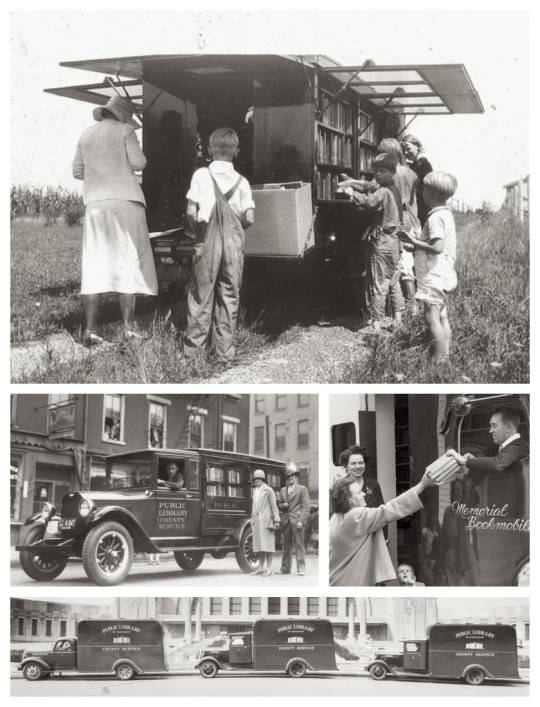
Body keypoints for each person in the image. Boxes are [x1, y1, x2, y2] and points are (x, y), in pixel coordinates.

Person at [72, 95, 158, 346]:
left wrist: (101, 175)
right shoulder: (126, 130)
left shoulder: (86, 134)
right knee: (127, 260)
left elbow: (77, 171)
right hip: (125, 203)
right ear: (122, 115)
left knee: (94, 263)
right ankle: (128, 328)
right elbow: (139, 162)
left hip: (95, 205)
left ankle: (89, 330)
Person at [183, 127, 255, 361]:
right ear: (237, 151)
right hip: (233, 245)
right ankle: (224, 354)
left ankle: (193, 356)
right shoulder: (242, 181)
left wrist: (199, 233)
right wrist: (234, 232)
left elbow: (191, 212)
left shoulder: (201, 175)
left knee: (201, 295)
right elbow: (250, 217)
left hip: (207, 240)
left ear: (208, 150)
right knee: (229, 296)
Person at [329, 470, 438, 586]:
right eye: (359, 492)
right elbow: (389, 509)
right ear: (348, 499)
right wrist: (423, 484)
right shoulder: (355, 516)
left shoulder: (335, 518)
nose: (364, 494)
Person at [399, 172, 458, 360]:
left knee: (431, 316)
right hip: (444, 272)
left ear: (429, 194)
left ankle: (440, 361)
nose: (420, 192)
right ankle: (446, 353)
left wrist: (413, 241)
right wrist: (416, 243)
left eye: (423, 189)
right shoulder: (445, 214)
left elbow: (436, 247)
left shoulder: (434, 218)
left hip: (434, 274)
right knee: (441, 315)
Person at [350, 153, 405, 333]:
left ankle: (375, 324)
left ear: (392, 172)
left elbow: (370, 203)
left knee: (377, 282)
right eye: (375, 170)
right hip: (395, 241)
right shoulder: (395, 190)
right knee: (393, 280)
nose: (378, 174)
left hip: (381, 241)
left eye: (383, 170)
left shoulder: (382, 191)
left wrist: (353, 193)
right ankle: (398, 318)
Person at [447, 407, 528, 475]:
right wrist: (474, 461)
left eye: (494, 426)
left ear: (509, 427)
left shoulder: (517, 446)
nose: (490, 431)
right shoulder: (515, 446)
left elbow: (497, 464)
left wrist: (466, 461)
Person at [276, 464, 310, 576]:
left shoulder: (302, 489)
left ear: (296, 477)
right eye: (289, 476)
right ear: (286, 478)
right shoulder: (282, 490)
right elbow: (279, 505)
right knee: (286, 546)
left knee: (299, 545)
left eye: (293, 476)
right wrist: (283, 505)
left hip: (297, 521)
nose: (291, 478)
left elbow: (306, 507)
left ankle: (301, 568)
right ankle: (285, 568)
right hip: (286, 521)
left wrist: (301, 521)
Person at [250, 469, 281, 577]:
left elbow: (274, 506)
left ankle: (268, 569)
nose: (257, 480)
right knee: (259, 546)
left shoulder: (269, 490)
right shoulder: (255, 491)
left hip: (266, 522)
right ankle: (260, 568)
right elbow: (254, 507)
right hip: (257, 522)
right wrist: (252, 520)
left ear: (263, 479)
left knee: (268, 546)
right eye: (255, 479)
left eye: (259, 478)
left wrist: (277, 519)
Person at [400, 134, 433, 227]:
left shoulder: (424, 165)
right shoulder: (414, 165)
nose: (405, 152)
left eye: (408, 148)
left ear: (417, 146)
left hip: (422, 207)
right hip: (415, 207)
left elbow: (428, 188)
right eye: (403, 150)